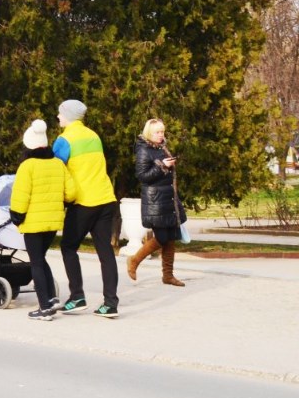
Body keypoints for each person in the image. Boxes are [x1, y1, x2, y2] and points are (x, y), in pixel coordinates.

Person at [52, 99, 122, 318]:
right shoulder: (94, 136)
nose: (58, 117)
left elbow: (56, 171)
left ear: (69, 116)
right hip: (105, 198)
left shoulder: (64, 140)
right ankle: (110, 303)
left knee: (68, 247)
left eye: (60, 113)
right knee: (106, 252)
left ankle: (77, 296)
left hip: (82, 202)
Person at [9, 119, 76, 321]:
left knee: (36, 262)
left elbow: (21, 196)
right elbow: (71, 193)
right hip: (53, 222)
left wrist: (16, 216)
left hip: (33, 223)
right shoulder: (58, 164)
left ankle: (44, 307)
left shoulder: (27, 166)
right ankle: (52, 298)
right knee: (41, 258)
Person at [127, 118, 187, 287]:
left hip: (169, 198)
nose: (161, 135)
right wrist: (162, 166)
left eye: (162, 131)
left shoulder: (162, 148)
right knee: (161, 237)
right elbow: (142, 176)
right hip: (155, 201)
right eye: (157, 132)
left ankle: (168, 275)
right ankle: (134, 260)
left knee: (171, 237)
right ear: (149, 133)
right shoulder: (144, 150)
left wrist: (167, 164)